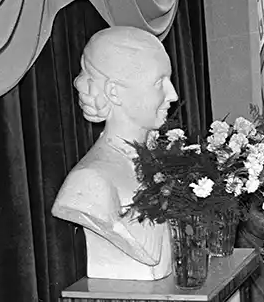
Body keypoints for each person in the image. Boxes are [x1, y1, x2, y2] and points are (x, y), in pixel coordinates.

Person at [52, 27, 178, 280]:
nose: (172, 94)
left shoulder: (161, 160)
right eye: (158, 83)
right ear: (114, 93)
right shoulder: (90, 181)